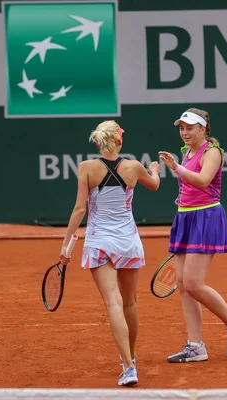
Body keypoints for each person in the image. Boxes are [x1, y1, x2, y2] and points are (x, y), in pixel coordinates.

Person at [59, 120, 161, 386]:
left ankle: (128, 366)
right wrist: (153, 169)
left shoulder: (86, 168)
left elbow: (80, 210)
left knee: (114, 303)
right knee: (130, 303)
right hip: (128, 242)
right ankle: (132, 357)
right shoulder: (134, 167)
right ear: (119, 140)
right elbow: (155, 185)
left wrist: (65, 246)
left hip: (99, 242)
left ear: (98, 141)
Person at [158, 108, 227, 363]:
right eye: (181, 128)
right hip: (185, 216)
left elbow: (202, 181)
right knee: (183, 285)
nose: (185, 132)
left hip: (206, 217)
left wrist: (176, 169)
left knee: (194, 283)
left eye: (189, 128)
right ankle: (195, 345)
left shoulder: (212, 151)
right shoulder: (185, 152)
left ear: (203, 129)